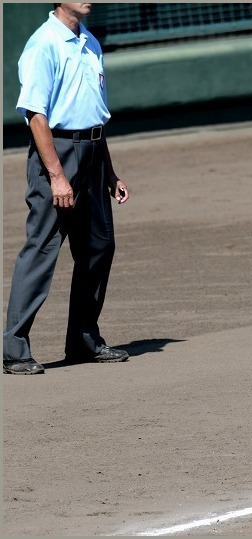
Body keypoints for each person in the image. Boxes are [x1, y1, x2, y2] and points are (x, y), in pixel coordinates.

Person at [3, 3, 130, 375]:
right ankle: (14, 350)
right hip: (57, 153)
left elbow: (93, 112)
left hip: (92, 153)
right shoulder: (43, 43)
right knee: (42, 248)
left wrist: (110, 174)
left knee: (99, 246)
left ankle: (83, 340)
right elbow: (35, 115)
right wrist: (57, 175)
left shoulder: (90, 41)